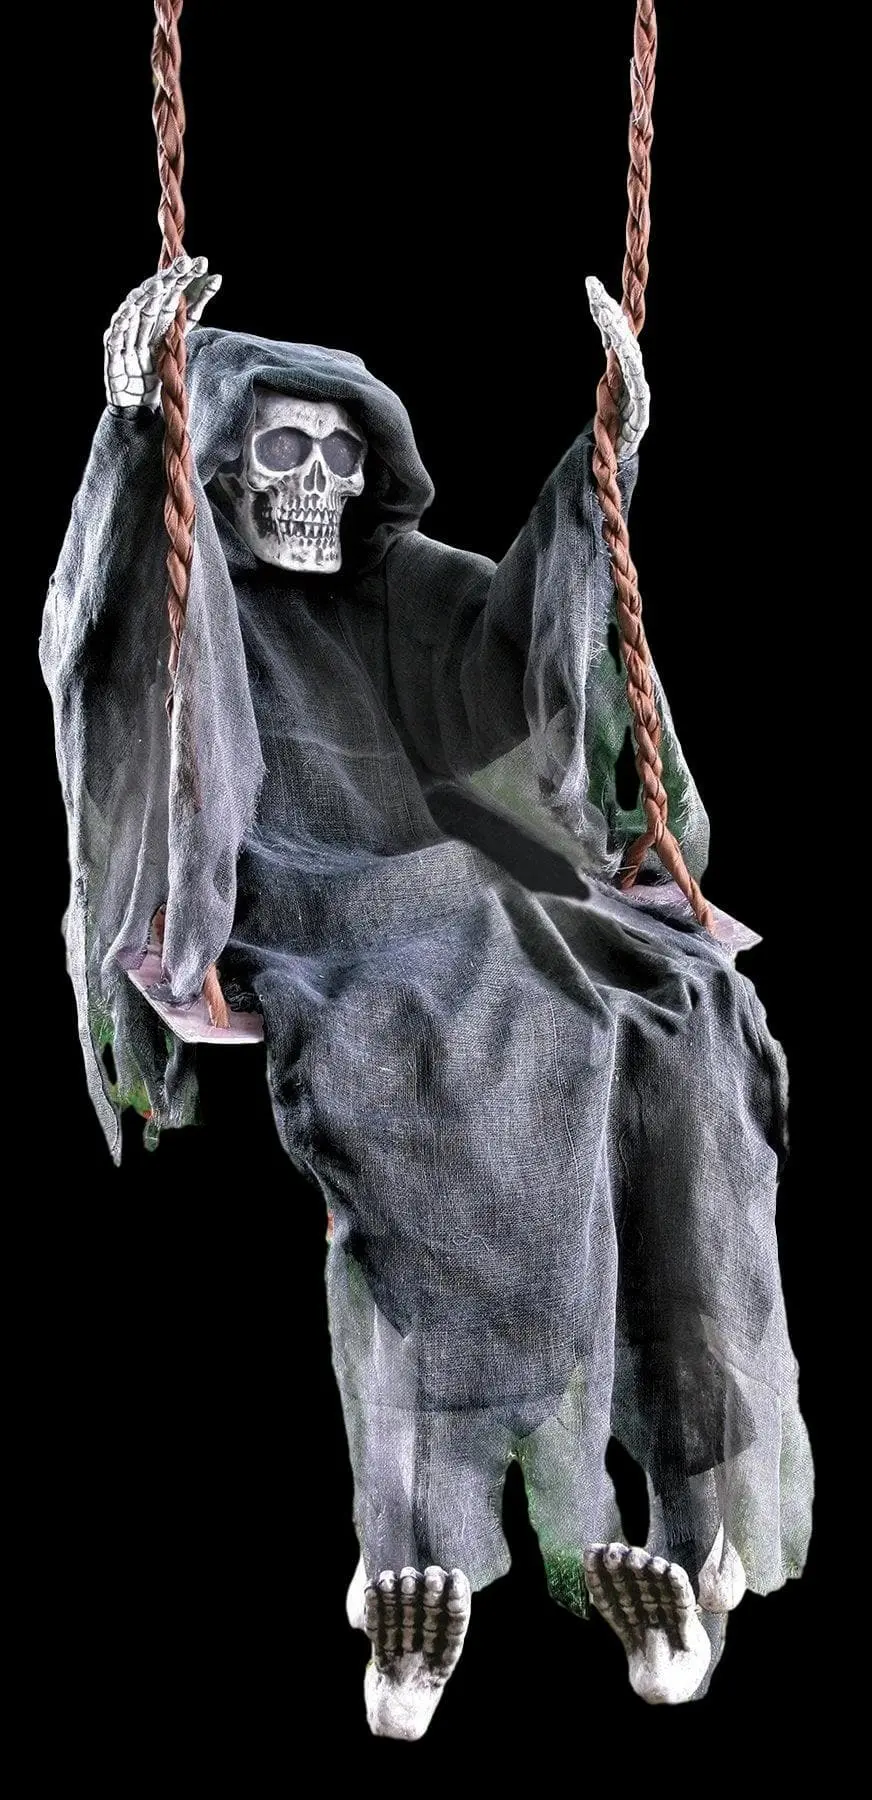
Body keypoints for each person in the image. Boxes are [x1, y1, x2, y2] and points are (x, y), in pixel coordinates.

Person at [40, 254, 813, 1737]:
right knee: (463, 1015)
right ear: (223, 462)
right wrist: (134, 438)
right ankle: (435, 1536)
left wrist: (600, 468)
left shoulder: (399, 589)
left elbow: (525, 648)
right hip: (311, 902)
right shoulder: (198, 603)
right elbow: (108, 637)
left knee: (679, 1015)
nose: (318, 484)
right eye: (281, 448)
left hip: (468, 877)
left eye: (344, 455)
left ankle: (672, 1492)